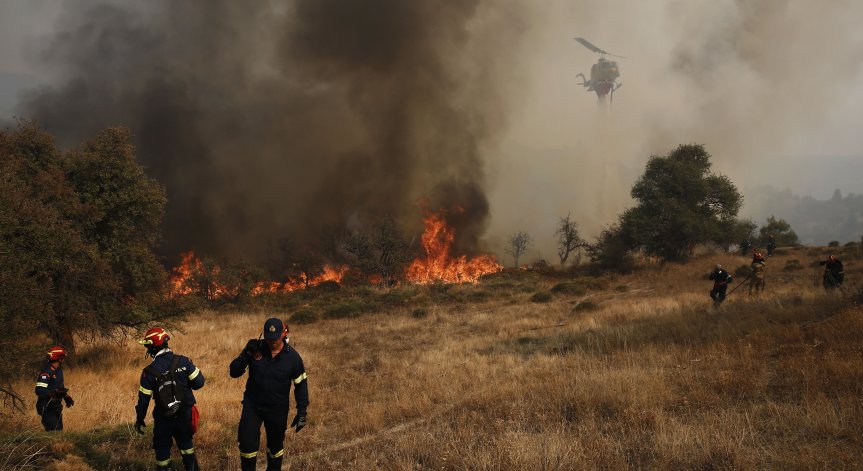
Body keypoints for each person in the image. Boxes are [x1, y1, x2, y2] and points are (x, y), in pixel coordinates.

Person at [230, 318, 309, 471]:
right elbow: (234, 372)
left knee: (275, 448)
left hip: (277, 409)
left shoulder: (293, 358)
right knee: (247, 444)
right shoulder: (255, 349)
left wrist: (302, 412)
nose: (272, 341)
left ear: (283, 334)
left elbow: (301, 385)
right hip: (253, 406)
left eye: (276, 338)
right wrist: (246, 354)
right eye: (269, 338)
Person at [135, 327, 205, 471]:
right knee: (187, 448)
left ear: (153, 347)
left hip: (163, 419)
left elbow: (143, 401)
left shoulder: (148, 372)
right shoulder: (184, 361)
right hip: (185, 415)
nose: (147, 350)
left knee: (162, 454)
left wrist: (139, 419)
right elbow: (199, 383)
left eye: (148, 347)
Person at [35, 346, 73, 431]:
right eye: (63, 358)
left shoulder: (58, 371)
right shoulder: (46, 372)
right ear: (59, 359)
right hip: (47, 407)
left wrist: (66, 397)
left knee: (59, 431)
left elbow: (59, 388)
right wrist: (52, 393)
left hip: (56, 406)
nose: (64, 359)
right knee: (52, 432)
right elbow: (39, 390)